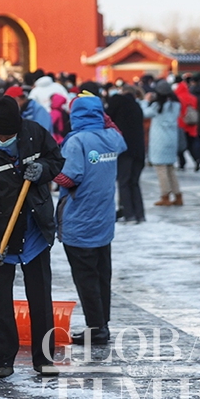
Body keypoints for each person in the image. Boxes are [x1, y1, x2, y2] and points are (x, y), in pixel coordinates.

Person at [0, 96, 64, 379]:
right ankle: (2, 361)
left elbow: (56, 160)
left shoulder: (34, 133)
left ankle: (44, 359)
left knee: (40, 296)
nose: (1, 140)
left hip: (33, 225)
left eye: (6, 137)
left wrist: (42, 170)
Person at [54, 96, 126, 345]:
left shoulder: (77, 141)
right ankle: (102, 323)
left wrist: (49, 170)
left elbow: (69, 178)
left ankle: (96, 329)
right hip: (103, 219)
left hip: (80, 219)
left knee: (86, 278)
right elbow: (119, 135)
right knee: (102, 274)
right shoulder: (112, 137)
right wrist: (105, 120)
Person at [106, 85, 147, 223]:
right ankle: (139, 213)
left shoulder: (117, 102)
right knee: (134, 182)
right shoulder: (137, 106)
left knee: (123, 181)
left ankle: (128, 213)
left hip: (124, 149)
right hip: (139, 150)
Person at [142, 80, 183, 207]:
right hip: (172, 139)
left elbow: (144, 113)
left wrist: (145, 101)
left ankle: (165, 195)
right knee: (170, 168)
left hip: (159, 141)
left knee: (161, 169)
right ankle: (178, 195)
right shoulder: (176, 105)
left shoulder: (157, 106)